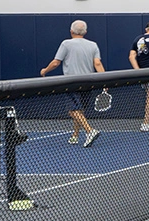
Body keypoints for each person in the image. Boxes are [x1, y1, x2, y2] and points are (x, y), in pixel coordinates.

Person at [40, 19, 106, 147]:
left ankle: (90, 131)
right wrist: (104, 80)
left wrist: (44, 70)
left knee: (72, 110)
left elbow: (56, 62)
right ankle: (75, 136)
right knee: (79, 110)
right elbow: (97, 63)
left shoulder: (66, 44)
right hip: (88, 82)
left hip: (72, 82)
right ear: (85, 32)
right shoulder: (93, 45)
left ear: (71, 31)